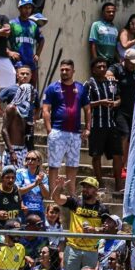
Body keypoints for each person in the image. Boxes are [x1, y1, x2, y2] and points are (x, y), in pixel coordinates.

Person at [42, 59, 91, 195]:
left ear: (73, 71)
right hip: (57, 131)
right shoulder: (52, 88)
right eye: (62, 69)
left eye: (67, 69)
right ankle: (53, 193)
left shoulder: (81, 88)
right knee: (54, 165)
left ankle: (72, 194)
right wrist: (49, 130)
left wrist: (88, 128)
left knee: (73, 165)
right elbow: (45, 110)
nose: (64, 72)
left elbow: (87, 109)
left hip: (75, 134)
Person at [52, 176, 107, 270]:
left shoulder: (102, 209)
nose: (85, 189)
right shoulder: (75, 202)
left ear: (95, 190)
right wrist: (59, 188)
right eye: (84, 186)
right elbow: (56, 198)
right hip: (73, 249)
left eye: (89, 187)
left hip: (91, 251)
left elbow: (107, 228)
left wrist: (95, 229)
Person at [86, 57, 123, 191]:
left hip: (111, 123)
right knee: (96, 155)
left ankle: (119, 184)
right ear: (93, 70)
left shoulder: (112, 83)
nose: (102, 69)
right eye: (99, 67)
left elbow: (119, 98)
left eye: (104, 66)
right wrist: (100, 102)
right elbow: (85, 104)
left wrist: (115, 103)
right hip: (97, 124)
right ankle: (100, 183)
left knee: (117, 154)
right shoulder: (89, 84)